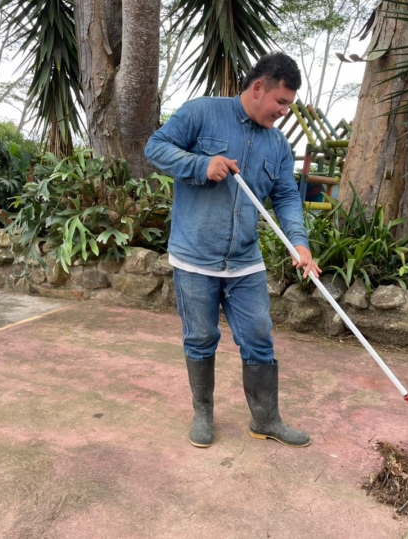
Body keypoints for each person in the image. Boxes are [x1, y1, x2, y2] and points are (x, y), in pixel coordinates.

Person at [144, 52, 320, 449]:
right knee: (201, 336)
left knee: (259, 337)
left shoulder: (277, 145)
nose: (283, 112)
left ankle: (266, 418)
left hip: (245, 262)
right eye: (281, 102)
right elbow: (156, 148)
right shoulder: (202, 113)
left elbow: (287, 197)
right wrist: (201, 165)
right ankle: (203, 412)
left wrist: (300, 243)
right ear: (259, 88)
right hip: (194, 257)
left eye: (288, 105)